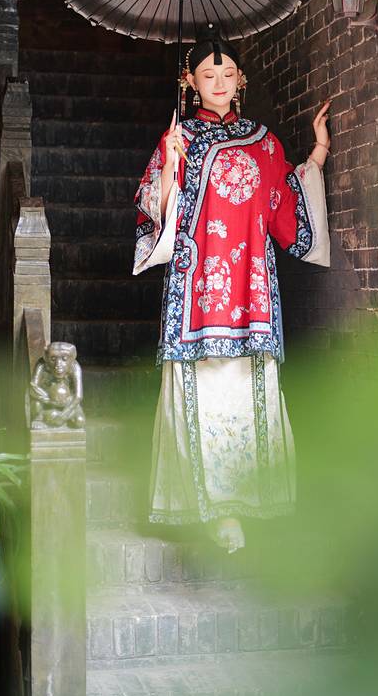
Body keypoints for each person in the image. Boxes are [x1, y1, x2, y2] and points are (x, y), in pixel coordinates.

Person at [133, 27, 331, 554]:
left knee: (248, 389)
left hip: (252, 291)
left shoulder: (264, 142)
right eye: (207, 74)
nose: (218, 82)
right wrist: (170, 165)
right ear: (190, 83)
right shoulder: (179, 137)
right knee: (201, 392)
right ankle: (210, 508)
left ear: (240, 79)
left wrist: (317, 155)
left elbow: (285, 206)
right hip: (196, 290)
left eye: (226, 73)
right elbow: (156, 213)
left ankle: (253, 501)